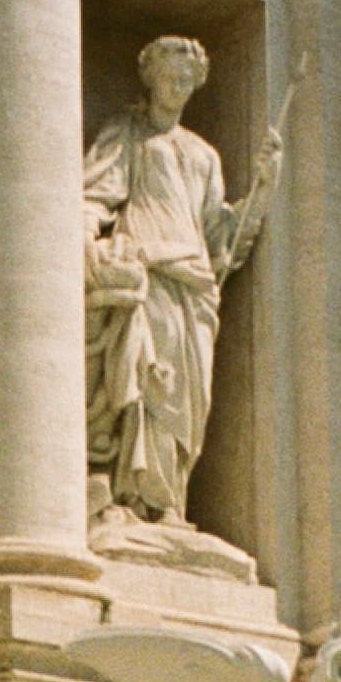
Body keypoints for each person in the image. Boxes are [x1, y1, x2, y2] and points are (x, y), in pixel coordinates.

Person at [84, 36, 280, 522]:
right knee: (147, 384)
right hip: (149, 270)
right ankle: (131, 496)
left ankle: (170, 502)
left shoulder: (204, 155)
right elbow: (95, 195)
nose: (180, 85)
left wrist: (264, 187)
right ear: (149, 75)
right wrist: (85, 240)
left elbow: (222, 238)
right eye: (172, 75)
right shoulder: (126, 135)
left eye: (188, 80)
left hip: (195, 284)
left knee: (188, 401)